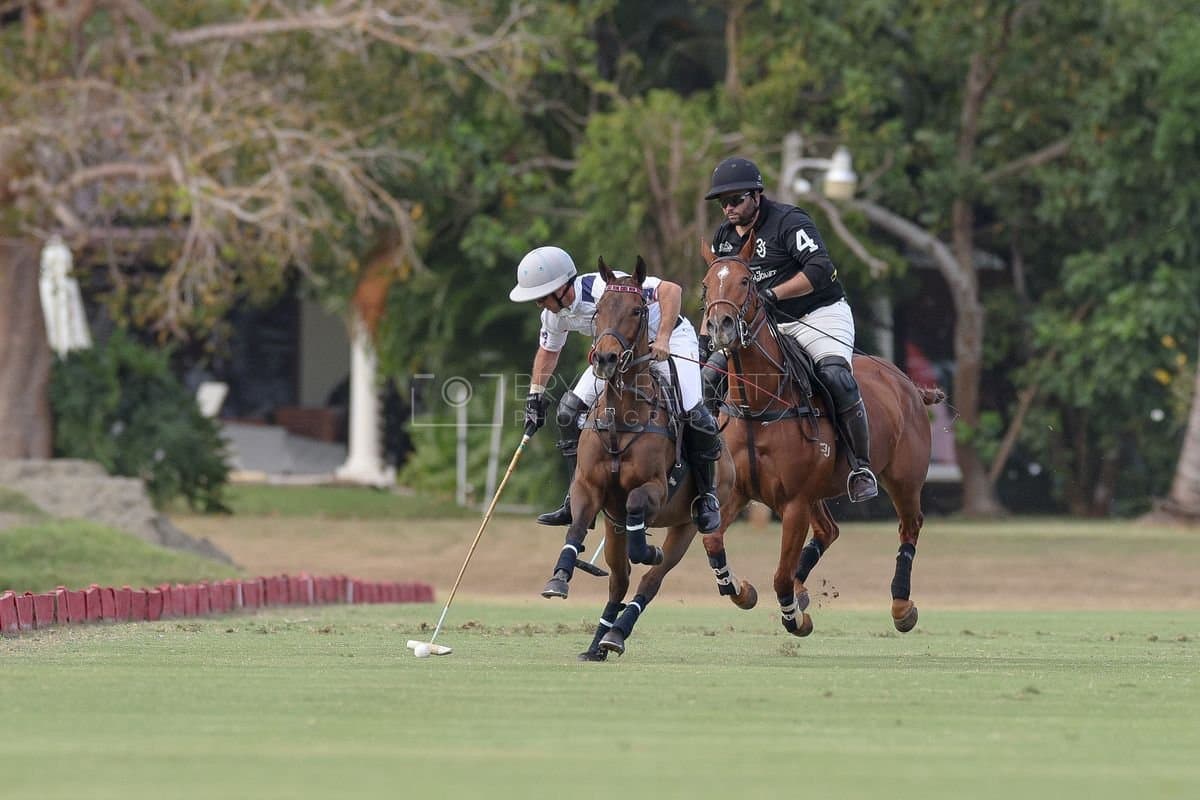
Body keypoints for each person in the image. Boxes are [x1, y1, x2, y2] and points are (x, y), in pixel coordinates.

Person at [509, 245, 722, 532]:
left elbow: (671, 290)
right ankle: (575, 497)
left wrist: (662, 338)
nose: (539, 304)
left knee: (694, 412)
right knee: (568, 412)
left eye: (541, 297)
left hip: (669, 339)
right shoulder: (553, 314)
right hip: (617, 355)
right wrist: (535, 395)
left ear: (561, 287)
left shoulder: (606, 286)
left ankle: (706, 497)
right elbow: (548, 351)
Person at [702, 156, 878, 502]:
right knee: (708, 378)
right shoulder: (723, 238)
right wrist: (707, 333)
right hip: (763, 325)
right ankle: (705, 462)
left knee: (835, 376)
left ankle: (860, 466)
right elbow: (717, 288)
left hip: (816, 313)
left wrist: (772, 294)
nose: (728, 209)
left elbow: (821, 269)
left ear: (756, 195)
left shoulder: (789, 221)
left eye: (736, 200)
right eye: (723, 203)